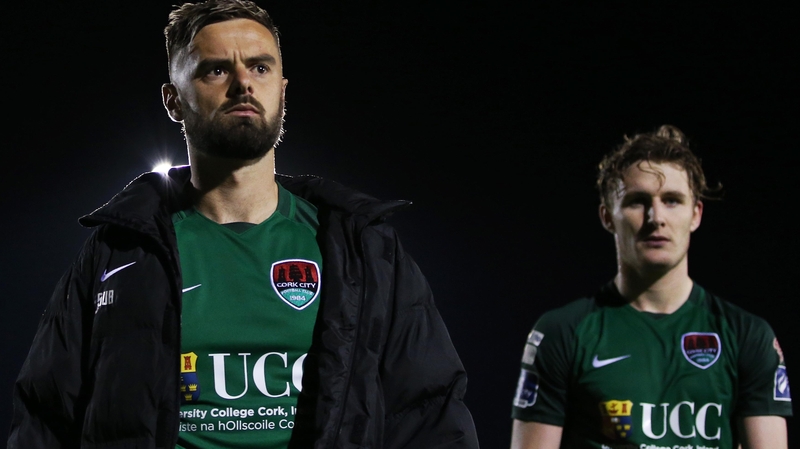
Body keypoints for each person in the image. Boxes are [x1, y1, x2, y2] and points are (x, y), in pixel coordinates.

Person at [7, 1, 479, 448]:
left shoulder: (362, 247)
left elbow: (429, 413)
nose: (243, 84)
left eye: (259, 67)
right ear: (173, 101)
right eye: (216, 69)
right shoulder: (120, 251)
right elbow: (45, 417)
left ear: (282, 89)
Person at [509, 125, 792, 449]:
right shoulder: (562, 333)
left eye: (672, 200)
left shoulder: (746, 335)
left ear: (695, 214)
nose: (655, 217)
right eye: (637, 201)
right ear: (607, 217)